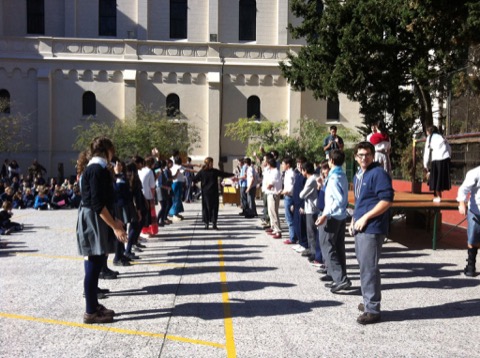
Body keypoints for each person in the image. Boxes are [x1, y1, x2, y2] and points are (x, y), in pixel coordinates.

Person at [76, 136, 128, 324]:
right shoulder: (96, 169)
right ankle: (90, 311)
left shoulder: (96, 168)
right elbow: (97, 203)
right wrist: (115, 227)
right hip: (94, 218)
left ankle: (94, 305)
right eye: (112, 150)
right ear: (107, 150)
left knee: (96, 261)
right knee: (93, 261)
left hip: (97, 216)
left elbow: (103, 199)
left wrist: (116, 219)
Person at [350, 141, 394, 325]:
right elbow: (361, 201)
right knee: (364, 266)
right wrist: (354, 219)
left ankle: (373, 309)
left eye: (367, 154)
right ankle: (368, 300)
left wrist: (366, 217)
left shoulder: (378, 174)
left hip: (372, 227)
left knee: (369, 268)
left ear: (373, 155)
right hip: (360, 226)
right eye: (360, 155)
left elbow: (386, 200)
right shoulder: (359, 175)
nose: (364, 158)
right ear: (355, 157)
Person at [315, 150, 350, 293]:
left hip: (332, 216)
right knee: (338, 247)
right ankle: (338, 276)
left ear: (331, 161)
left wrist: (325, 214)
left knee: (327, 247)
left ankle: (341, 279)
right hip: (340, 216)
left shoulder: (334, 177)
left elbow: (338, 200)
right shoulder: (341, 174)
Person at [193, 157, 235, 229]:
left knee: (208, 208)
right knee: (212, 208)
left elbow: (194, 179)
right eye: (211, 163)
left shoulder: (203, 171)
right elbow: (223, 174)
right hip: (211, 192)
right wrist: (232, 174)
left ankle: (210, 224)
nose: (212, 164)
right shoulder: (212, 171)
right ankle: (211, 224)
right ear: (208, 163)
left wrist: (199, 182)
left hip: (208, 192)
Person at [456, 165, 480, 277]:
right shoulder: (475, 173)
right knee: (472, 238)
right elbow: (463, 189)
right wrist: (462, 203)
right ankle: (471, 265)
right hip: (475, 211)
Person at [423, 126, 451, 202]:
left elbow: (426, 152)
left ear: (429, 132)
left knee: (435, 178)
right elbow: (449, 148)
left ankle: (438, 197)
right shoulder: (442, 137)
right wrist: (449, 157)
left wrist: (425, 165)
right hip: (445, 158)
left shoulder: (430, 138)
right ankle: (439, 196)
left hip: (437, 158)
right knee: (441, 178)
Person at [299, 162, 319, 262]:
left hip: (312, 208)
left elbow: (302, 194)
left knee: (311, 231)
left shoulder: (311, 180)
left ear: (305, 170)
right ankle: (312, 250)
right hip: (310, 207)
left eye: (302, 170)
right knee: (311, 231)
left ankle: (314, 252)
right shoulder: (314, 178)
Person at [281, 157, 296, 244]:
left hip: (289, 197)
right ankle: (293, 236)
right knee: (288, 217)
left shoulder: (291, 174)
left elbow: (290, 188)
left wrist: (282, 192)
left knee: (289, 218)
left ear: (288, 165)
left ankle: (292, 237)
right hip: (287, 196)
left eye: (283, 164)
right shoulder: (287, 173)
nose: (282, 166)